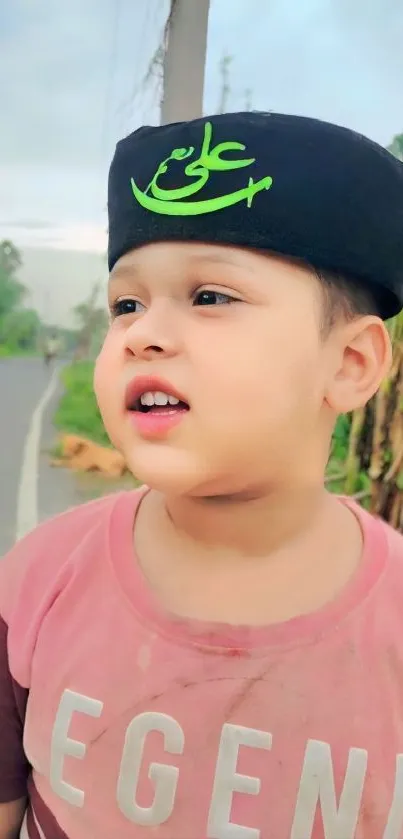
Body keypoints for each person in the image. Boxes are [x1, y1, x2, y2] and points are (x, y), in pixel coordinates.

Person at [0, 111, 403, 839]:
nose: (142, 332)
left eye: (210, 296)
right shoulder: (36, 580)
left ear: (350, 364)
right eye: (126, 303)